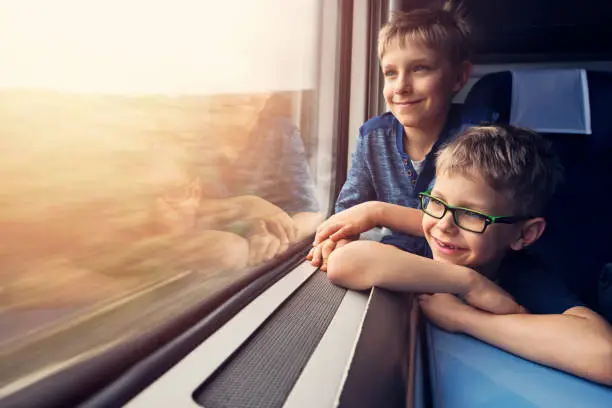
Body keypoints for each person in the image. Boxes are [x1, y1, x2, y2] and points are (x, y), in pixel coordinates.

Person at [321, 124, 612, 386]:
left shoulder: (521, 273)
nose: (444, 226)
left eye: (472, 214)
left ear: (524, 235)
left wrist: (465, 318)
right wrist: (468, 283)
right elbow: (344, 263)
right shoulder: (430, 247)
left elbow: (604, 355)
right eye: (436, 201)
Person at [308, 3, 497, 269]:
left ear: (458, 77)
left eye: (420, 68)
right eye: (391, 73)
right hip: (401, 263)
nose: (401, 87)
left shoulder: (474, 139)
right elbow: (349, 211)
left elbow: (462, 226)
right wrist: (338, 239)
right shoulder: (373, 136)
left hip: (460, 265)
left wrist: (376, 212)